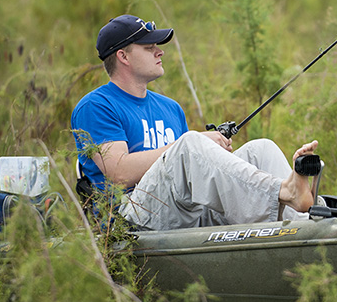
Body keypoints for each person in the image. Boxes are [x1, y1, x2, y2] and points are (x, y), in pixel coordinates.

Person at [71, 13, 317, 230]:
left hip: (186, 212)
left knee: (261, 149)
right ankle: (283, 191)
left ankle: (304, 226)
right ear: (123, 56)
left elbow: (188, 172)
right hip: (129, 217)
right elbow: (118, 173)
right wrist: (193, 144)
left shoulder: (170, 108)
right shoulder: (96, 106)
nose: (160, 51)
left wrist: (214, 155)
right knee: (189, 144)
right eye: (148, 47)